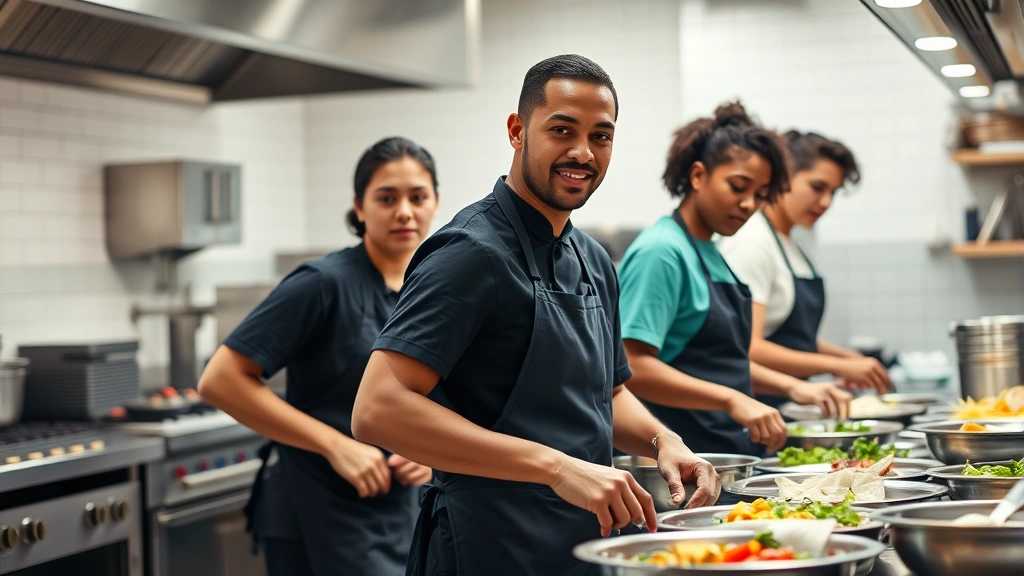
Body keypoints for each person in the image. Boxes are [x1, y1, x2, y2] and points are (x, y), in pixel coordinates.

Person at [350, 54, 720, 576]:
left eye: (601, 136)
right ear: (517, 131)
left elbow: (606, 395)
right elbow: (377, 408)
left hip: (582, 545)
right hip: (489, 546)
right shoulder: (469, 253)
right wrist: (554, 467)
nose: (582, 152)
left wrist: (665, 441)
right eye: (562, 130)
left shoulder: (592, 259)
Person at [197, 137, 439, 576]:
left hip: (399, 511)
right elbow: (221, 379)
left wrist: (429, 451)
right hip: (315, 510)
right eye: (387, 198)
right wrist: (334, 445)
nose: (404, 211)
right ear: (360, 207)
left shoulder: (429, 291)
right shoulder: (323, 284)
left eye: (417, 197)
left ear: (435, 203)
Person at [617, 104, 852, 457]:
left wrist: (792, 387)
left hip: (723, 452)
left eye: (759, 194)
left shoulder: (710, 251)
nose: (748, 204)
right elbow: (632, 366)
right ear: (698, 176)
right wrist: (731, 400)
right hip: (680, 460)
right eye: (738, 187)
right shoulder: (662, 252)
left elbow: (721, 364)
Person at [718, 131, 890, 407]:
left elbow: (797, 339)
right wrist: (837, 365)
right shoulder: (752, 241)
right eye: (817, 187)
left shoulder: (790, 242)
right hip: (755, 407)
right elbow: (751, 348)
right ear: (784, 176)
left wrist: (849, 359)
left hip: (786, 405)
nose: (826, 202)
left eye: (833, 192)